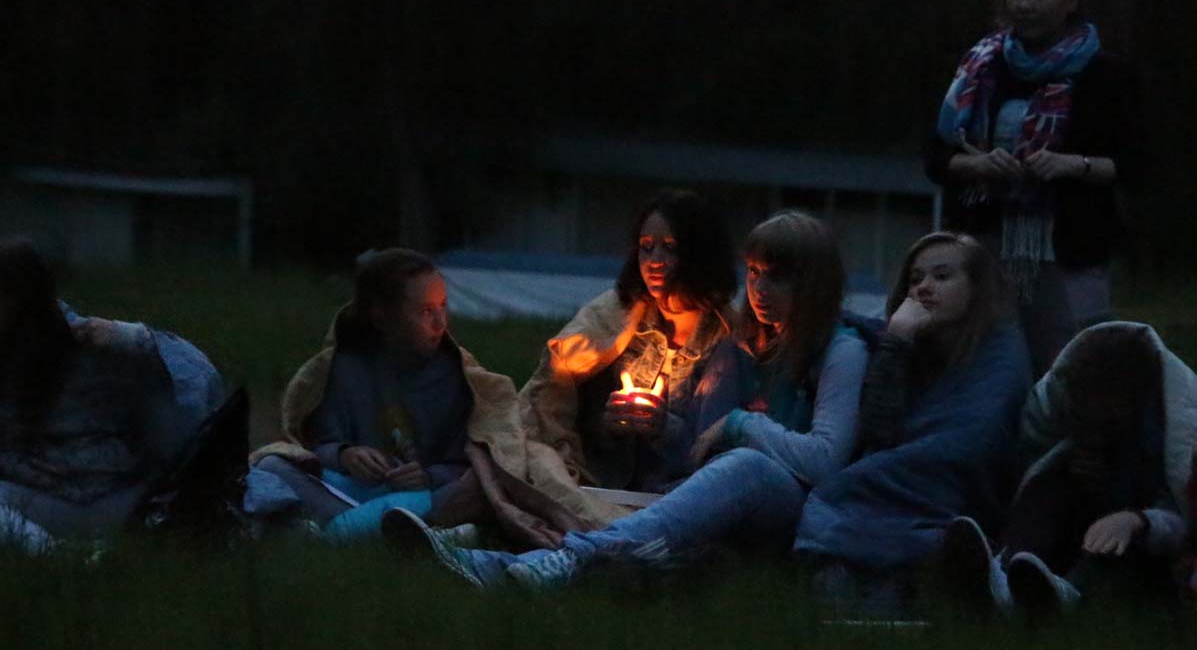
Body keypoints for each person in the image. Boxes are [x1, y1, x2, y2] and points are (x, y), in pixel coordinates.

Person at [382, 211, 869, 589]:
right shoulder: (741, 346)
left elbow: (824, 461)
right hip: (720, 494)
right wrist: (661, 426)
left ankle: (562, 556)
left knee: (746, 465)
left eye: (776, 277)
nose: (759, 290)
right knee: (556, 477)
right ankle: (489, 562)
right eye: (755, 273)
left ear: (811, 283)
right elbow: (700, 448)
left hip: (791, 504)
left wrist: (742, 424)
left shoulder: (840, 351)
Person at [925, 0, 1140, 378]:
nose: (1025, 4)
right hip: (985, 245)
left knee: (1069, 368)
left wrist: (1073, 165)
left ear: (1071, 0)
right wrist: (977, 165)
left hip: (1068, 250)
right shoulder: (980, 67)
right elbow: (936, 157)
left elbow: (1135, 164)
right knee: (984, 369)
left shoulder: (1105, 73)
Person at [792, 232, 1031, 611]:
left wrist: (905, 464)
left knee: (839, 502)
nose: (924, 288)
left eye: (942, 276)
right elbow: (878, 429)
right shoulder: (910, 342)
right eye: (916, 279)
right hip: (900, 477)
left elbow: (976, 439)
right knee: (848, 509)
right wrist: (898, 341)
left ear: (976, 286)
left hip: (958, 489)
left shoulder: (1000, 351)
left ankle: (939, 565)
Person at [941, 321, 1197, 618]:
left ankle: (1065, 592)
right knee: (1048, 487)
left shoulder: (1169, 432)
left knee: (1117, 546)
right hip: (1077, 520)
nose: (1101, 425)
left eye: (1110, 414)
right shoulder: (1069, 411)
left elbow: (1185, 516)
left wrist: (1138, 520)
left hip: (1141, 539)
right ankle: (1006, 571)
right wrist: (1071, 467)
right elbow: (1033, 454)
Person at [251, 248, 482, 538]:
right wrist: (346, 455)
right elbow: (316, 445)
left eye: (442, 307)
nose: (440, 323)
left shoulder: (461, 377)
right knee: (271, 466)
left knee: (470, 492)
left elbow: (473, 464)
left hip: (421, 496)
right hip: (354, 489)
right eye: (425, 312)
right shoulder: (345, 369)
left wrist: (428, 476)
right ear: (383, 318)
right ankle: (375, 530)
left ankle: (338, 532)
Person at [519, 189, 737, 493]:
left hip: (686, 493)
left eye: (669, 248)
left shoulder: (728, 337)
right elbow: (557, 397)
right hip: (605, 486)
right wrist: (607, 424)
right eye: (646, 248)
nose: (654, 261)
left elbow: (726, 441)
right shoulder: (618, 316)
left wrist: (666, 427)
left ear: (698, 254)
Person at [0, 237, 187, 549]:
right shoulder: (109, 348)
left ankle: (58, 554)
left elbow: (193, 382)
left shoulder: (101, 349)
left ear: (18, 299)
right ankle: (72, 554)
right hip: (111, 503)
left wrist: (129, 337)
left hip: (110, 501)